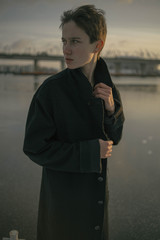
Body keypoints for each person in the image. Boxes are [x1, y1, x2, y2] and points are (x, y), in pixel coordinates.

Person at [23, 5, 125, 240]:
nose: (66, 50)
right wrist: (89, 151)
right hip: (62, 203)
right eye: (64, 41)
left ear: (97, 45)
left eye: (75, 41)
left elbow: (115, 138)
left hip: (96, 203)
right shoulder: (51, 90)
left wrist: (111, 109)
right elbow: (34, 147)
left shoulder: (107, 87)